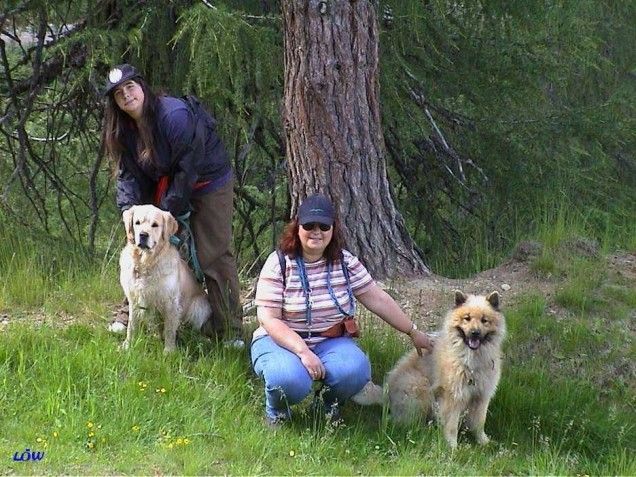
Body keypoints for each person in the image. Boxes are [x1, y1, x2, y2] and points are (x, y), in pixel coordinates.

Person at [250, 193, 433, 426]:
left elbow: (377, 299)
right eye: (309, 225)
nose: (317, 231)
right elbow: (268, 318)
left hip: (330, 340)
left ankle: (326, 406)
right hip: (280, 342)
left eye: (324, 226)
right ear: (297, 227)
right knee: (288, 380)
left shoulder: (345, 262)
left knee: (354, 371)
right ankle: (277, 412)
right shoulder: (279, 263)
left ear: (333, 229)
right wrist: (303, 352)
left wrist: (412, 331)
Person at [101, 63, 243, 347]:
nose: (126, 95)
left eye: (130, 87)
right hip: (166, 178)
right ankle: (132, 310)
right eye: (118, 93)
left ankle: (229, 329)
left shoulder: (174, 116)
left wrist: (165, 214)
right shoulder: (123, 129)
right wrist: (129, 212)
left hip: (206, 179)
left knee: (213, 253)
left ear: (142, 87)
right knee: (140, 240)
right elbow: (129, 175)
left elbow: (188, 169)